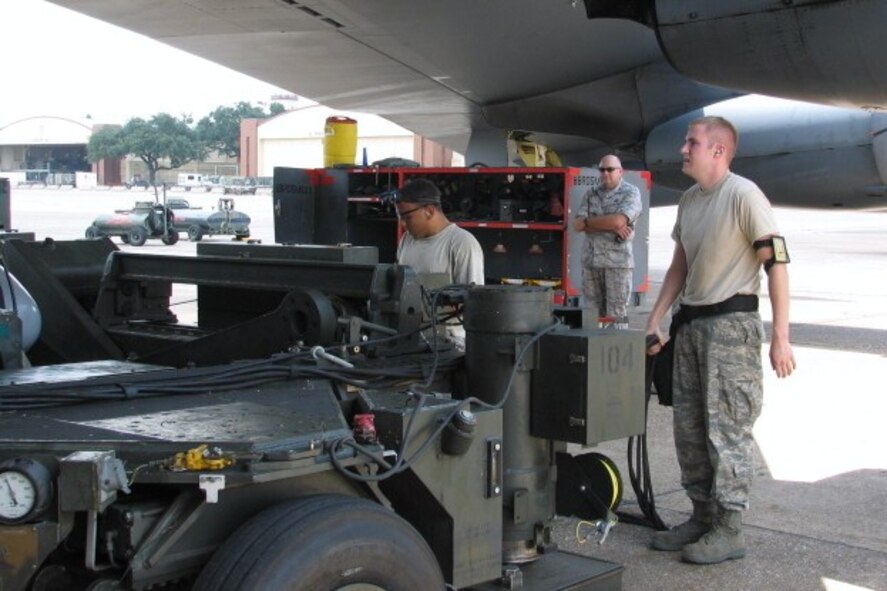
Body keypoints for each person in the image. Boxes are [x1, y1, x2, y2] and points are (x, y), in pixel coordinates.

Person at [645, 116, 796, 564]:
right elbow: (680, 265)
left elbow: (778, 265)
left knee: (728, 429)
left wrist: (780, 338)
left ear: (718, 151)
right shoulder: (690, 200)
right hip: (689, 327)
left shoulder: (744, 195)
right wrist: (655, 319)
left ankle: (729, 529)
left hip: (731, 327)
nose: (683, 150)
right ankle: (701, 516)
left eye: (691, 143)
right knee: (689, 429)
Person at [572, 155, 642, 328]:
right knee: (591, 315)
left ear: (620, 171)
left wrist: (592, 223)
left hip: (617, 265)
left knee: (616, 316)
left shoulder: (631, 192)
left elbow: (618, 221)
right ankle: (593, 353)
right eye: (602, 169)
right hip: (592, 262)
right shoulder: (591, 193)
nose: (605, 173)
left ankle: (615, 350)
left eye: (610, 169)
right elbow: (577, 224)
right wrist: (609, 224)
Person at [395, 177, 484, 286]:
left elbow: (472, 298)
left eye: (407, 217)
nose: (402, 224)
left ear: (429, 211)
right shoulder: (406, 239)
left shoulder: (462, 243)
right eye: (399, 217)